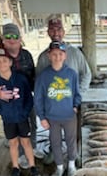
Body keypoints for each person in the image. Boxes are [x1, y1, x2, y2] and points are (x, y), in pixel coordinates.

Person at [36, 17, 92, 164]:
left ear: (64, 31)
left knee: (75, 131)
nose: (56, 32)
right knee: (53, 132)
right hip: (52, 105)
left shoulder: (75, 53)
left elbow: (86, 74)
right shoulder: (43, 57)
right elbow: (39, 83)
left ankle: (76, 153)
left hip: (72, 102)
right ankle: (55, 152)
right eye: (52, 29)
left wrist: (78, 94)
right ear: (48, 32)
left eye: (59, 29)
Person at [0, 23, 44, 169]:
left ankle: (32, 148)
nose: (11, 39)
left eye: (14, 36)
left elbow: (33, 77)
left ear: (20, 38)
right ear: (3, 39)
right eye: (7, 36)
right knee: (13, 129)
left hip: (27, 98)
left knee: (32, 123)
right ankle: (21, 155)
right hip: (7, 103)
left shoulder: (27, 55)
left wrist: (39, 95)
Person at [34, 41, 81, 176]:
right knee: (55, 143)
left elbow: (77, 94)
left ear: (65, 55)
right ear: (49, 55)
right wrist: (42, 117)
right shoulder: (43, 76)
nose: (57, 57)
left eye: (60, 54)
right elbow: (38, 98)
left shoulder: (72, 74)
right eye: (54, 54)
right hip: (51, 118)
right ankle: (59, 167)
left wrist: (75, 106)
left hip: (69, 116)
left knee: (71, 141)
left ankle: (72, 166)